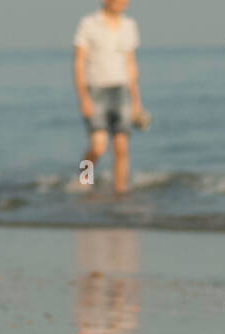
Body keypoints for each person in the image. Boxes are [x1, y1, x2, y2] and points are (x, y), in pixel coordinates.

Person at [72, 0, 143, 194]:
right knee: (98, 146)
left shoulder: (129, 26)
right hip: (96, 90)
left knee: (121, 147)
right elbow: (79, 62)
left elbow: (130, 64)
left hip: (121, 91)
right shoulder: (88, 24)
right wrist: (83, 97)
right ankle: (84, 181)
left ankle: (120, 191)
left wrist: (137, 101)